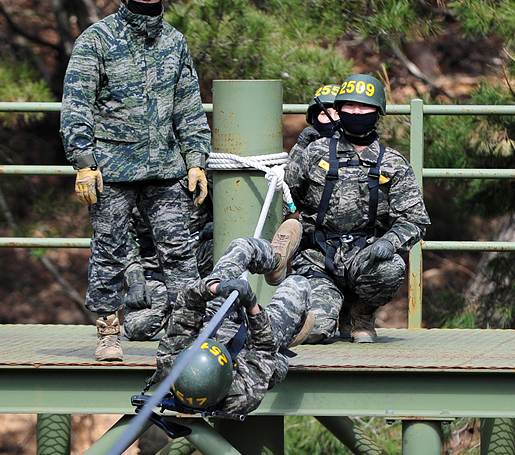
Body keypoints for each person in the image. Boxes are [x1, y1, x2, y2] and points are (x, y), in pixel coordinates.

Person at [60, 0, 211, 361]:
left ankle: (189, 331)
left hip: (165, 168)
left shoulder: (174, 42)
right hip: (112, 169)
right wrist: (84, 162)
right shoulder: (96, 40)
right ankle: (108, 331)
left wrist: (196, 158)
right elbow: (77, 107)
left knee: (179, 249)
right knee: (109, 247)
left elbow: (188, 107)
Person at [281, 73, 429, 343]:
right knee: (315, 331)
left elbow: (415, 219)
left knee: (391, 268)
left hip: (365, 258)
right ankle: (330, 308)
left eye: (364, 106)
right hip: (318, 259)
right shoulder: (315, 153)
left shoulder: (393, 163)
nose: (357, 111)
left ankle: (360, 314)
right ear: (338, 110)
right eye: (349, 105)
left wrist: (390, 242)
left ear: (378, 112)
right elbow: (286, 196)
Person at [152, 236, 313, 416]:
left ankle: (275, 260)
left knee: (241, 246)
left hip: (213, 323)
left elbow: (188, 302)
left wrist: (216, 288)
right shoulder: (242, 394)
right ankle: (292, 331)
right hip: (251, 347)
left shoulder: (170, 361)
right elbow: (263, 348)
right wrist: (253, 308)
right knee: (298, 284)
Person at [122, 198, 214, 341]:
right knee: (138, 328)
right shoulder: (135, 189)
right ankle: (173, 311)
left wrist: (219, 228)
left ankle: (211, 309)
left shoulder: (198, 179)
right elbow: (124, 240)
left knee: (218, 248)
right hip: (156, 272)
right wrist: (136, 280)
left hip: (195, 268)